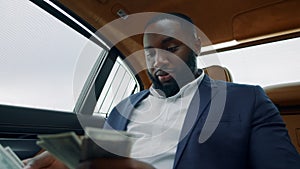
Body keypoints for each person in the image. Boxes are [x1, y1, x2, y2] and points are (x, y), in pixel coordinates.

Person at [24, 13, 300, 169]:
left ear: (195, 46)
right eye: (150, 53)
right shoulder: (122, 109)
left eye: (171, 48)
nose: (159, 61)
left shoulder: (247, 100)